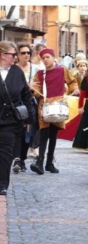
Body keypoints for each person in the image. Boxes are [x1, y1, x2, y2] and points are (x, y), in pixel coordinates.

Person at [29, 48, 80, 175]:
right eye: (43, 58)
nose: (46, 60)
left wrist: (75, 90)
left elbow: (72, 81)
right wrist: (33, 89)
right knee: (44, 133)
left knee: (53, 135)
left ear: (53, 57)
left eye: (48, 57)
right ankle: (40, 162)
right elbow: (37, 91)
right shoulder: (40, 74)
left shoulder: (62, 70)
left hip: (58, 105)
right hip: (44, 106)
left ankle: (49, 163)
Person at [0, 40, 36, 195]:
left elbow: (26, 96)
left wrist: (29, 119)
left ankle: (2, 184)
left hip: (10, 121)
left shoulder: (17, 72)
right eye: (13, 54)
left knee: (5, 153)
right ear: (2, 55)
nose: (15, 58)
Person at [11, 43, 40, 173]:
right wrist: (28, 85)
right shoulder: (13, 69)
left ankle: (22, 158)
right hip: (15, 104)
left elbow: (38, 88)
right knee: (17, 133)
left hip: (29, 103)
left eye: (28, 52)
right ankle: (17, 159)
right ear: (17, 55)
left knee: (29, 134)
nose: (26, 55)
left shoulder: (35, 69)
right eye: (23, 53)